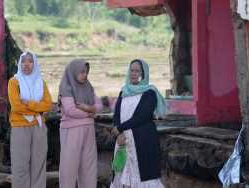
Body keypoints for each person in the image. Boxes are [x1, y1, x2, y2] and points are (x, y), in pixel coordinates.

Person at [111, 59, 168, 187]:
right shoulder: (123, 92)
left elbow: (142, 116)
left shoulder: (150, 93)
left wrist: (119, 128)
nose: (133, 73)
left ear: (144, 74)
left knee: (142, 176)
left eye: (137, 71)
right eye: (131, 70)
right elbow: (117, 114)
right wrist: (119, 134)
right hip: (123, 140)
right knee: (122, 173)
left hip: (142, 141)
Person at [8, 51, 53, 188]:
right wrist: (37, 109)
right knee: (20, 167)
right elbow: (16, 107)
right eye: (23, 61)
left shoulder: (41, 83)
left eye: (30, 61)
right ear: (19, 64)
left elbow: (48, 105)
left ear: (35, 64)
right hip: (20, 127)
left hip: (39, 127)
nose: (26, 64)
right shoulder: (14, 82)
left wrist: (28, 103)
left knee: (38, 168)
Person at [58, 59, 103, 188]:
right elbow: (70, 110)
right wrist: (89, 115)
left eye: (86, 72)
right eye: (82, 72)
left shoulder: (87, 87)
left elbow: (100, 105)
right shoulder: (66, 87)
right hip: (71, 131)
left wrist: (89, 108)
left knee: (89, 168)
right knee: (69, 168)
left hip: (88, 130)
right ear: (74, 71)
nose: (85, 75)